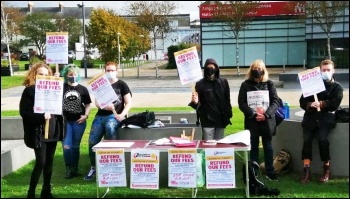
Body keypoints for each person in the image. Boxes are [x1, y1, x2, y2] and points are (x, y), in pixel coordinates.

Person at [19, 62, 63, 198]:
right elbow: (25, 113)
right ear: (35, 75)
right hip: (39, 132)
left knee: (49, 162)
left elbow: (61, 105)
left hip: (53, 130)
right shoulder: (29, 91)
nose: (43, 77)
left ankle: (46, 191)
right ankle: (31, 192)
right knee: (41, 162)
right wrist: (41, 116)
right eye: (40, 74)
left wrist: (58, 82)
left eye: (46, 74)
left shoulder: (54, 89)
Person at [84, 61, 132, 180]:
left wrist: (121, 115)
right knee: (92, 141)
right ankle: (94, 167)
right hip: (101, 115)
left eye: (112, 70)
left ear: (117, 70)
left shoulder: (122, 84)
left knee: (110, 128)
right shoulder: (101, 85)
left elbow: (128, 102)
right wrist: (105, 106)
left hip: (115, 116)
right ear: (104, 71)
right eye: (108, 70)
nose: (110, 72)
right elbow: (97, 103)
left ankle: (114, 164)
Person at [299, 59, 343, 184]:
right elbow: (302, 102)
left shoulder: (337, 88)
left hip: (325, 119)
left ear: (333, 71)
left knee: (322, 140)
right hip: (310, 119)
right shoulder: (311, 85)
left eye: (328, 70)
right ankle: (306, 170)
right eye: (323, 70)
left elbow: (335, 103)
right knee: (307, 140)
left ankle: (326, 169)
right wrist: (310, 104)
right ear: (319, 71)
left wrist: (323, 104)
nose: (326, 72)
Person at [238, 59, 280, 181]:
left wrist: (266, 115)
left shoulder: (270, 84)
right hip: (252, 121)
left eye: (259, 68)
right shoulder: (245, 85)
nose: (256, 71)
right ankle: (254, 171)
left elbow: (275, 101)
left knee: (268, 147)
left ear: (264, 70)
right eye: (254, 68)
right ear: (251, 70)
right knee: (254, 147)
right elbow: (241, 103)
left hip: (267, 121)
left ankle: (270, 171)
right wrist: (252, 113)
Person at [188, 58, 232, 140]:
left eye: (212, 67)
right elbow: (198, 106)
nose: (210, 70)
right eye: (208, 68)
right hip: (207, 120)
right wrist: (195, 102)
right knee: (208, 145)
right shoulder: (200, 84)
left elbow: (227, 100)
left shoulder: (223, 82)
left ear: (216, 68)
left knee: (219, 145)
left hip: (220, 119)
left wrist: (228, 115)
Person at [61, 64, 92, 179]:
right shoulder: (62, 87)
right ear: (66, 75)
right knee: (66, 146)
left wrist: (86, 115)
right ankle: (68, 168)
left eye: (74, 74)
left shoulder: (82, 89)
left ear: (78, 75)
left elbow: (88, 105)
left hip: (79, 122)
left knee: (75, 146)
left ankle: (75, 168)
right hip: (65, 122)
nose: (72, 76)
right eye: (70, 74)